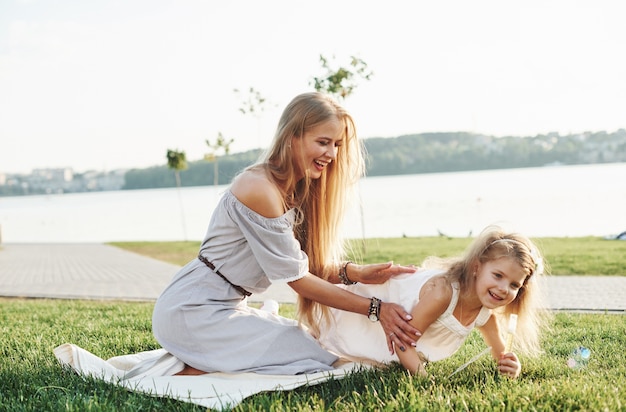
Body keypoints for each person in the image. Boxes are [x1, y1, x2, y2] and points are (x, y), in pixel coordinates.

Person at [152, 92, 420, 376]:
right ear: (293, 137)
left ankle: (210, 359)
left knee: (315, 346)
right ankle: (200, 365)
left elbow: (303, 267)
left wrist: (356, 273)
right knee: (317, 356)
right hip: (192, 311)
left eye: (337, 144)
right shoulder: (260, 189)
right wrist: (377, 309)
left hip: (222, 308)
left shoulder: (293, 191)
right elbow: (300, 281)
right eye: (323, 142)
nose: (332, 154)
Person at [318, 225, 550, 378]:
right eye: (498, 276)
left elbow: (502, 353)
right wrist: (424, 380)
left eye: (513, 285)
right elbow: (402, 342)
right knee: (331, 340)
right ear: (477, 268)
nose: (503, 289)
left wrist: (511, 365)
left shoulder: (485, 314)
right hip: (370, 310)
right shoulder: (443, 294)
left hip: (394, 336)